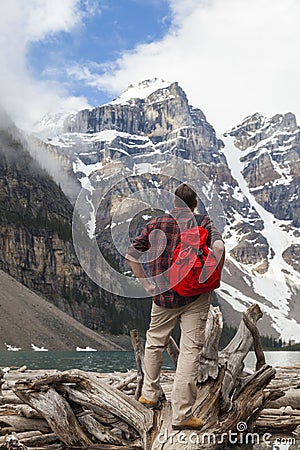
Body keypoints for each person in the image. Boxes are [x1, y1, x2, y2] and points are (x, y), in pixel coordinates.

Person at [125, 183, 225, 430]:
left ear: (173, 204)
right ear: (195, 204)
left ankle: (149, 393)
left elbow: (131, 255)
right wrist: (214, 274)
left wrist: (147, 285)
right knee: (190, 352)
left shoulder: (157, 224)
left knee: (155, 341)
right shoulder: (203, 221)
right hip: (195, 297)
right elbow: (220, 247)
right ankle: (182, 415)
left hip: (163, 296)